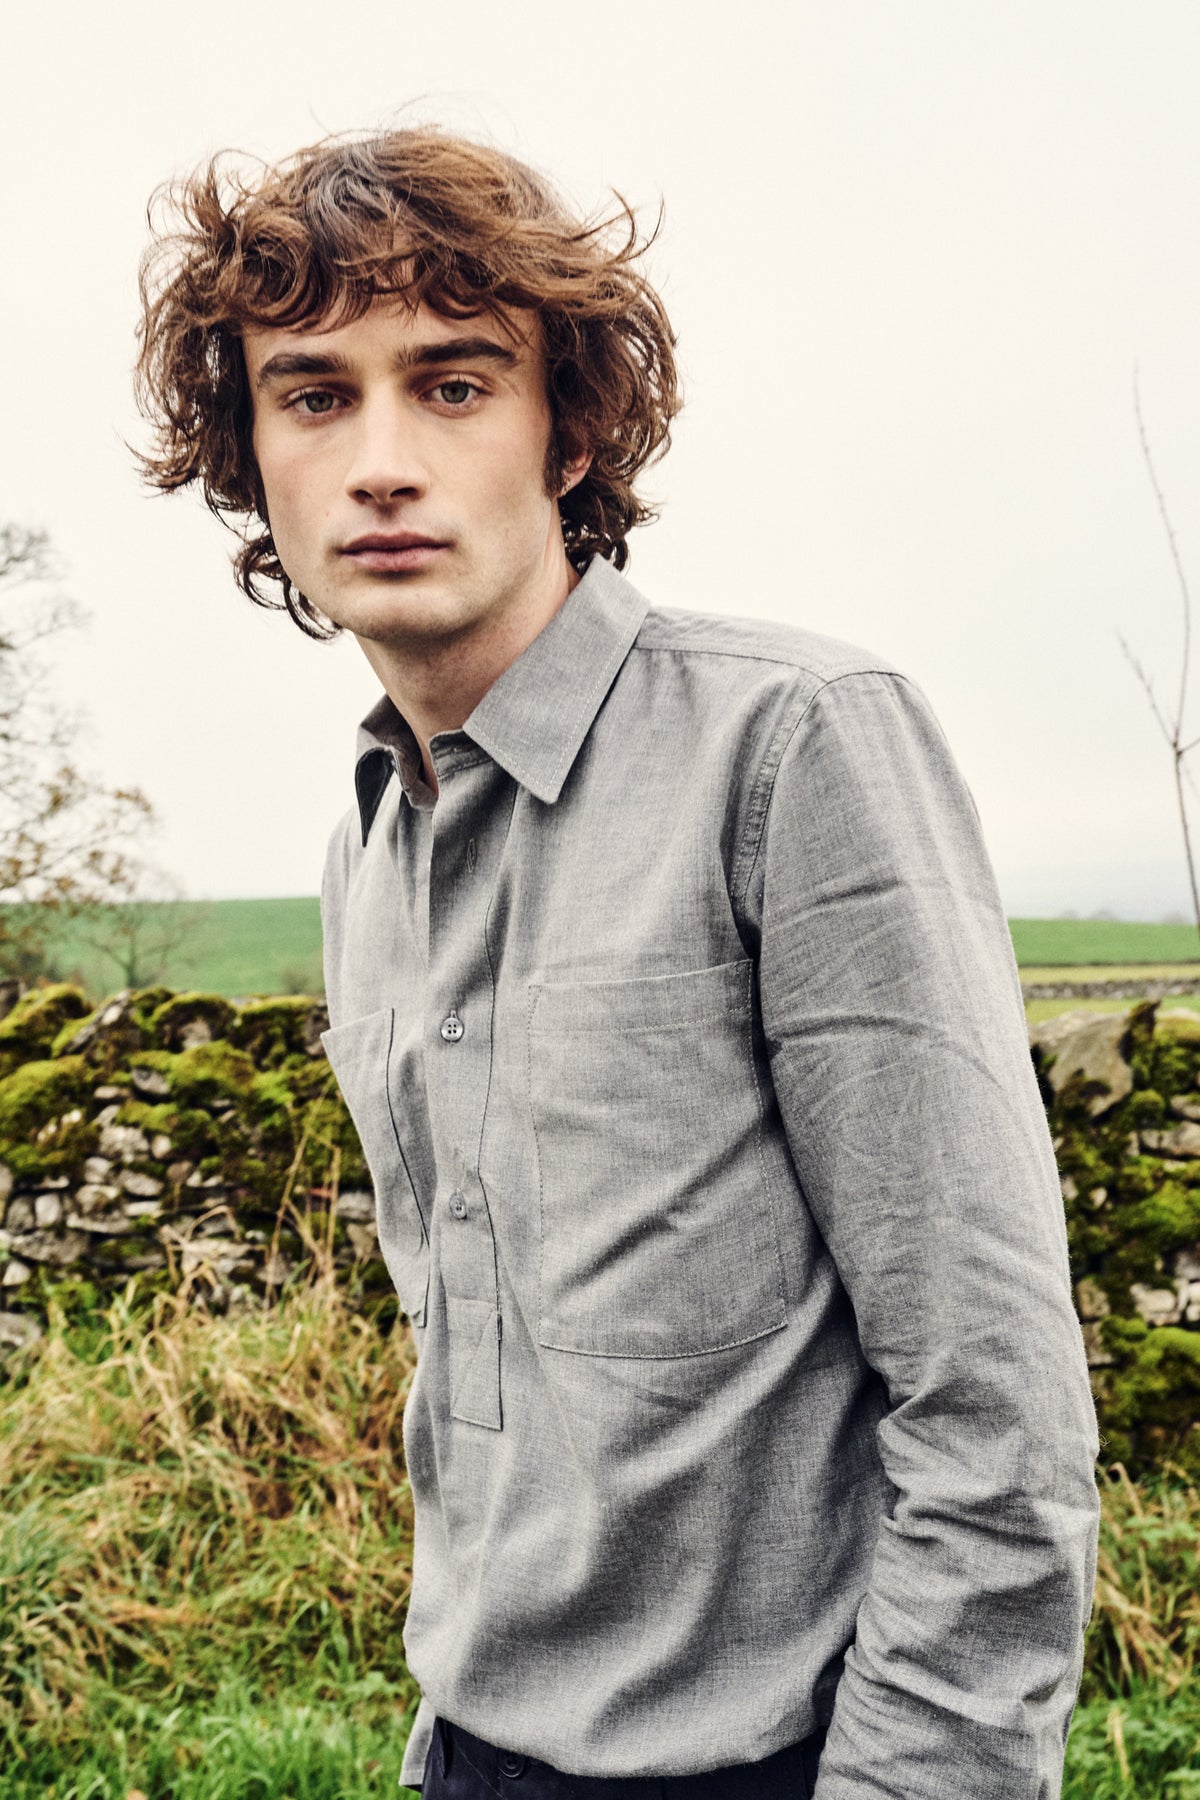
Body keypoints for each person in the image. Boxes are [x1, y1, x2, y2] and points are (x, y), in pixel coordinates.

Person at [136, 126, 1100, 1799]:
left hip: (783, 1764)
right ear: (250, 454)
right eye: (311, 394)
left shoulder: (794, 747)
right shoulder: (367, 837)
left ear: (567, 426)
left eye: (451, 384)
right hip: (473, 1749)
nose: (378, 459)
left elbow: (996, 1411)